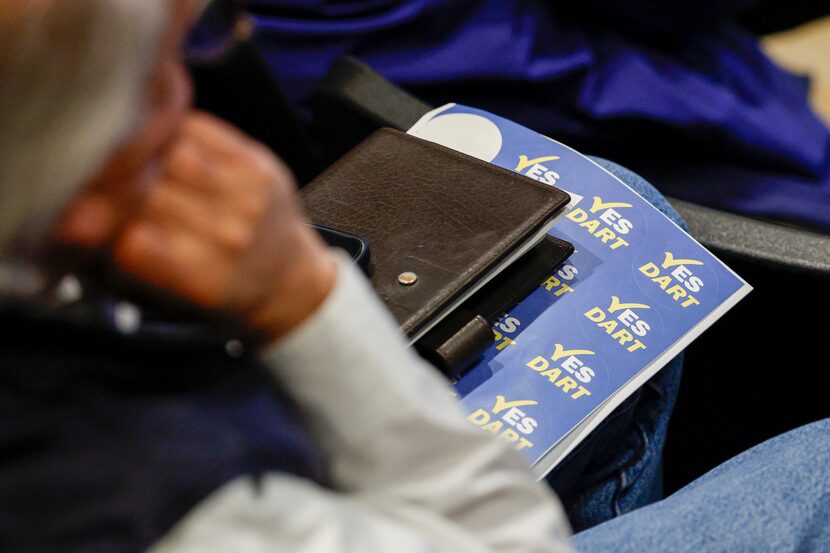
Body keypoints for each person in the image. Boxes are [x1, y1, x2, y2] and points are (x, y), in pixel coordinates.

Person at [0, 2, 828, 553]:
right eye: (163, 63)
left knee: (605, 210)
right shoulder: (142, 503)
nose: (194, 89)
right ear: (78, 179)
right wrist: (305, 299)